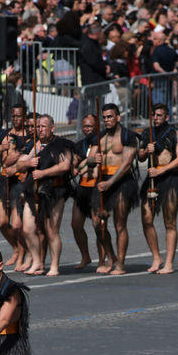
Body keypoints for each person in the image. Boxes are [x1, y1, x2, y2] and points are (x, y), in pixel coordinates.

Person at [17, 114, 73, 276]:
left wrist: (43, 173)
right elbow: (21, 164)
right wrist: (28, 163)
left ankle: (54, 265)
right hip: (35, 193)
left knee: (51, 231)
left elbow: (65, 165)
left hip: (55, 192)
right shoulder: (37, 145)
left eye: (43, 127)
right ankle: (37, 262)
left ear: (52, 128)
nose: (40, 130)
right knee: (27, 228)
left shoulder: (61, 144)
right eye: (38, 127)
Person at [138, 103, 178, 274]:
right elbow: (140, 157)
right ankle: (156, 257)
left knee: (169, 222)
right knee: (146, 218)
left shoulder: (176, 134)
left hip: (170, 179)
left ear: (166, 117)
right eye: (154, 115)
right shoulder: (147, 133)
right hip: (152, 180)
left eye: (159, 115)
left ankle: (169, 263)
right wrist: (146, 150)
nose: (156, 118)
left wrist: (161, 170)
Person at [88, 103, 138, 275]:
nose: (107, 120)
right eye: (104, 117)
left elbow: (126, 164)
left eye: (110, 117)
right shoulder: (99, 137)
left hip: (122, 182)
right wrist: (94, 158)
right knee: (97, 223)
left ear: (118, 117)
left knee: (119, 224)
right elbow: (88, 160)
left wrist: (110, 183)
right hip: (103, 181)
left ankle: (121, 264)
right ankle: (111, 256)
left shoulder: (127, 136)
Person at [0, 104, 30, 272]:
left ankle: (22, 252)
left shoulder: (29, 136)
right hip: (4, 181)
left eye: (19, 116)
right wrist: (1, 148)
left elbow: (16, 159)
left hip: (19, 182)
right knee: (2, 222)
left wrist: (13, 155)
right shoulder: (4, 135)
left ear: (24, 117)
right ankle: (15, 247)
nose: (16, 119)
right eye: (14, 116)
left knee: (16, 224)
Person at [70, 113, 108, 270]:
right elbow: (74, 161)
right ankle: (85, 256)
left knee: (98, 224)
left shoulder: (104, 141)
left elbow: (96, 160)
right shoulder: (80, 144)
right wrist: (73, 167)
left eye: (90, 126)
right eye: (85, 126)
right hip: (82, 188)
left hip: (97, 187)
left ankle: (102, 260)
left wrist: (87, 161)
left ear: (97, 126)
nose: (87, 129)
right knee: (76, 224)